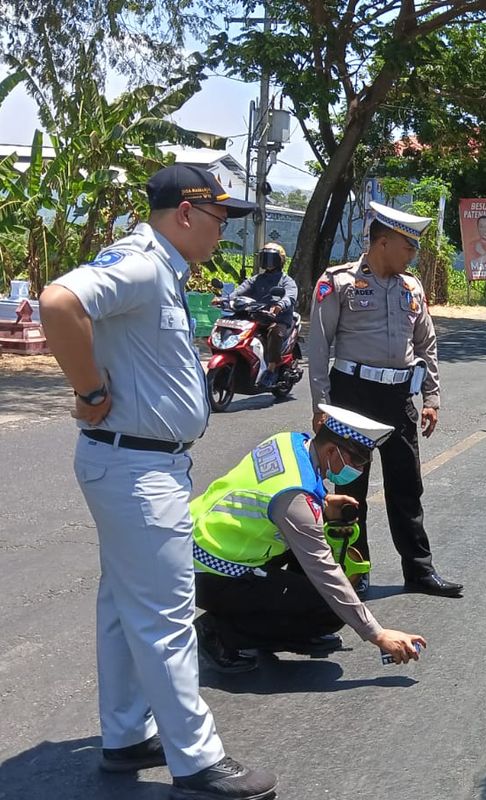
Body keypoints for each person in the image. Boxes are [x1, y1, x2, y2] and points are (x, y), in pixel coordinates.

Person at [40, 164, 277, 800]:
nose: (223, 232)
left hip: (138, 461)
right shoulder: (144, 264)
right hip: (136, 467)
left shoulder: (164, 274)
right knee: (168, 616)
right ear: (185, 214)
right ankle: (197, 759)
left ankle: (124, 735)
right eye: (220, 219)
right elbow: (58, 302)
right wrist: (88, 389)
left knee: (123, 605)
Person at [190, 404, 426, 673]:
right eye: (357, 461)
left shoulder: (289, 441)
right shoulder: (296, 498)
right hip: (211, 572)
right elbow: (325, 573)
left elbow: (272, 491)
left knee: (312, 562)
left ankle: (281, 625)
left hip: (197, 540)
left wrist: (324, 503)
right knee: (327, 608)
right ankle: (218, 633)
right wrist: (377, 634)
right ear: (330, 451)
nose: (359, 470)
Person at [308, 201, 462, 598]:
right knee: (350, 488)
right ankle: (352, 573)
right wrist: (321, 407)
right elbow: (319, 346)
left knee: (406, 485)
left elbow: (426, 345)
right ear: (382, 243)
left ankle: (420, 571)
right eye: (407, 247)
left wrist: (431, 397)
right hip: (351, 395)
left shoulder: (411, 287)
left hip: (399, 397)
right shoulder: (338, 282)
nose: (413, 255)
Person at [217, 242, 297, 387]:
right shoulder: (256, 279)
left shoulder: (287, 281)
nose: (267, 261)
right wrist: (225, 299)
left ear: (280, 261)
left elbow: (290, 297)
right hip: (257, 317)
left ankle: (271, 369)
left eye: (271, 258)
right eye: (265, 257)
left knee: (275, 332)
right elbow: (240, 290)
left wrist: (279, 305)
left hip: (277, 319)